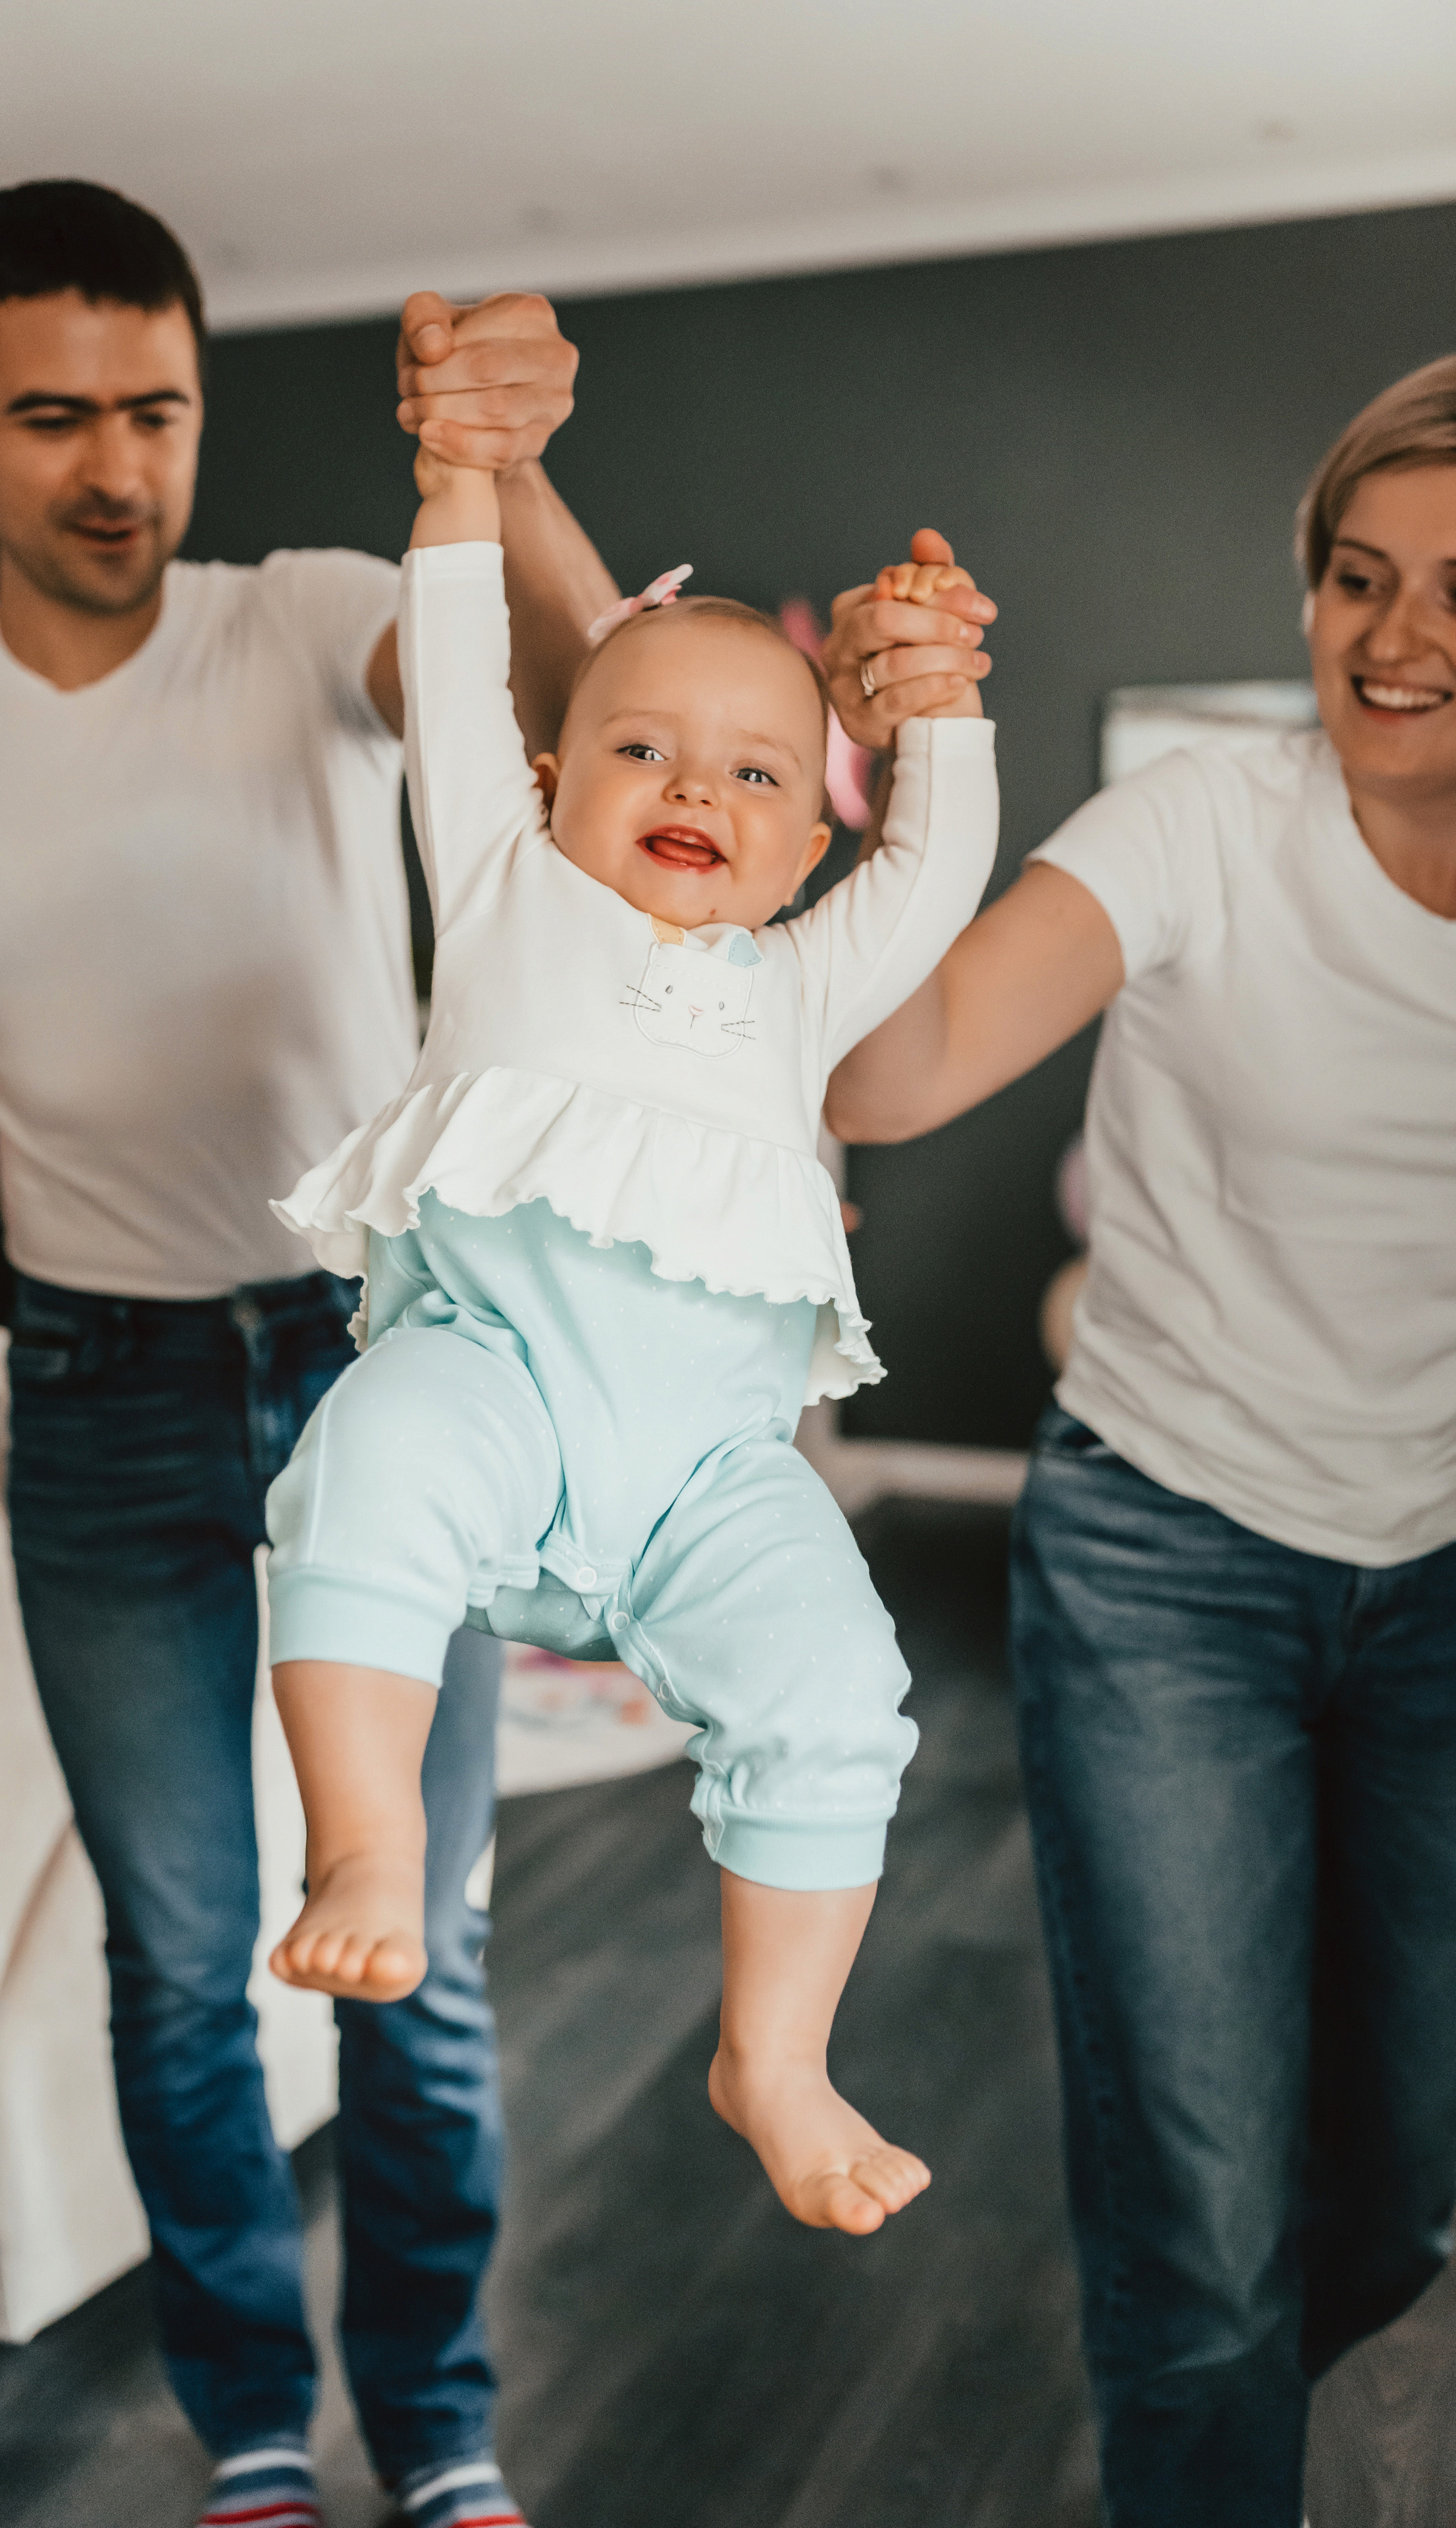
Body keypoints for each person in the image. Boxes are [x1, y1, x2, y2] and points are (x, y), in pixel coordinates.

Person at [0, 177, 615, 2528]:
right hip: (98, 1399)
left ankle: (439, 2429)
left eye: (156, 409)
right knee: (178, 1963)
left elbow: (583, 716)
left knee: (423, 1947)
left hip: (382, 1374)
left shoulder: (317, 618)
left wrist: (512, 466)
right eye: (54, 416)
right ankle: (252, 2428)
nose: (117, 465)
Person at [821, 370, 1456, 2525]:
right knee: (1199, 2225)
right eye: (1356, 577)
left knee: (1401, 2189)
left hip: (1447, 1576)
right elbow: (892, 1074)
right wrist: (906, 777)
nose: (1395, 637)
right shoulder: (1201, 822)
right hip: (1170, 1562)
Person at [255, 438, 1002, 2240]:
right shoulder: (506, 888)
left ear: (809, 843)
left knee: (840, 1693)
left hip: (710, 1475)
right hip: (492, 1380)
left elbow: (936, 866)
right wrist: (454, 488)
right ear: (548, 781)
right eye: (643, 749)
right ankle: (369, 1846)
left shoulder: (803, 981)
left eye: (756, 773)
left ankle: (778, 2055)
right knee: (366, 1461)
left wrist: (946, 712)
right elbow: (452, 675)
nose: (695, 789)